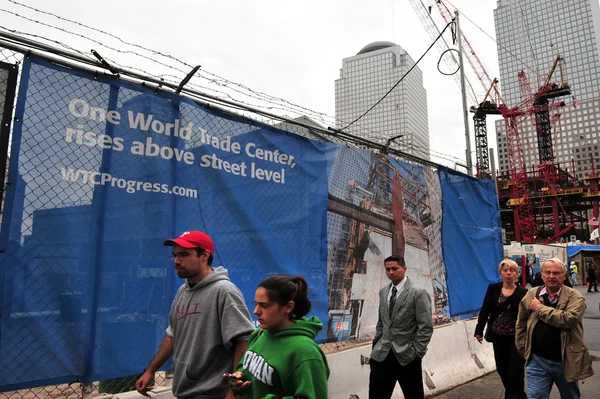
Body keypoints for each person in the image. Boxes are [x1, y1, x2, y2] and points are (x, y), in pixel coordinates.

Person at [136, 231, 255, 399]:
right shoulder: (182, 291)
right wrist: (150, 371)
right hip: (185, 392)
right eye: (175, 255)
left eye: (184, 255)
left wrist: (233, 392)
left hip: (213, 394)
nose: (177, 261)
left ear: (204, 255)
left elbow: (243, 340)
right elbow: (172, 336)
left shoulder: (224, 291)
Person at [229, 275, 329, 398]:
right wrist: (240, 377)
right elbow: (246, 366)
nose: (255, 311)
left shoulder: (306, 353)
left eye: (264, 305)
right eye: (256, 304)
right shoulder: (260, 333)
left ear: (288, 307)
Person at [516, 257, 594, 398]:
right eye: (548, 272)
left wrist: (539, 308)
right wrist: (523, 347)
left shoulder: (575, 297)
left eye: (556, 273)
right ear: (542, 275)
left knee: (570, 396)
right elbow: (521, 322)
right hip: (537, 360)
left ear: (564, 276)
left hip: (566, 360)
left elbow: (568, 319)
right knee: (536, 397)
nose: (551, 276)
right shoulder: (532, 293)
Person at [368, 255, 433, 399]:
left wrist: (417, 353)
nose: (390, 272)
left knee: (413, 395)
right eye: (387, 269)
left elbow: (426, 327)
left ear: (404, 268)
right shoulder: (384, 292)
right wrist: (376, 343)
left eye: (394, 268)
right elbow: (382, 322)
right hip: (382, 354)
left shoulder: (418, 292)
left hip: (407, 356)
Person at [474, 259, 528, 399]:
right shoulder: (493, 288)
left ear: (517, 274)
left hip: (516, 340)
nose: (508, 273)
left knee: (515, 373)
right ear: (501, 273)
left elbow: (528, 317)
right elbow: (485, 309)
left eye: (512, 270)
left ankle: (512, 396)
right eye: (505, 270)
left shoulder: (524, 292)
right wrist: (479, 329)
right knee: (502, 370)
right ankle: (519, 396)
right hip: (498, 337)